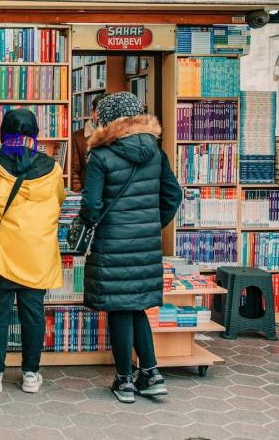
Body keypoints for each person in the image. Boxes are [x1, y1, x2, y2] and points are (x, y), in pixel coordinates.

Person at [78, 92, 182, 404]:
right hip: (146, 243)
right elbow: (172, 195)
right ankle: (151, 374)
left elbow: (92, 205)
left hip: (112, 242)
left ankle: (124, 379)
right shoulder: (156, 152)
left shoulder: (101, 154)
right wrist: (150, 225)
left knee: (119, 309)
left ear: (107, 120)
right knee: (136, 306)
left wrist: (91, 224)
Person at [0, 109, 67, 395]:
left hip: (1, 252)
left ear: (2, 134)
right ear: (34, 135)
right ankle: (31, 375)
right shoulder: (52, 168)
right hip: (37, 252)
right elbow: (59, 198)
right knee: (33, 315)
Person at [71, 93, 107, 191]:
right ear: (92, 112)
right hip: (88, 193)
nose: (104, 116)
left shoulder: (118, 135)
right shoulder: (77, 137)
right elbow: (73, 171)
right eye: (100, 111)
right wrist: (79, 194)